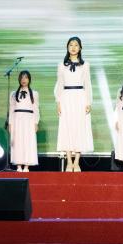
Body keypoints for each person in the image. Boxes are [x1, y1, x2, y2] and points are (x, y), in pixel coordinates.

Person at [54, 36, 93, 172]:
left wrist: (88, 102)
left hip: (80, 97)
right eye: (71, 45)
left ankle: (76, 162)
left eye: (76, 45)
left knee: (79, 128)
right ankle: (69, 162)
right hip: (66, 98)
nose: (73, 47)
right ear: (67, 47)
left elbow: (88, 84)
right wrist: (58, 102)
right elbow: (59, 84)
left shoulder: (85, 65)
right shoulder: (61, 65)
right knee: (67, 128)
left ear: (80, 48)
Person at [7, 70, 39, 172]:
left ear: (29, 79)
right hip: (17, 120)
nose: (23, 80)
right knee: (18, 142)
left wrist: (36, 122)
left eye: (26, 77)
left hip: (29, 119)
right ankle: (18, 166)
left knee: (28, 141)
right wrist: (10, 123)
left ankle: (26, 166)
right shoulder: (13, 94)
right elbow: (11, 110)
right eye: (21, 78)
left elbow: (36, 109)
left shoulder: (34, 93)